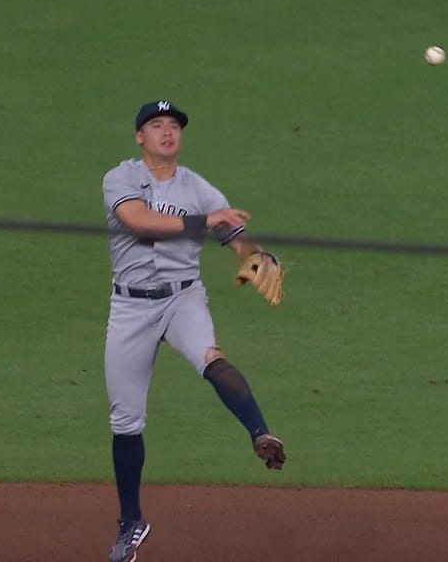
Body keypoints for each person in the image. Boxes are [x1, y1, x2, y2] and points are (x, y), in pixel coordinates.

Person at [102, 100, 287, 562]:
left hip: (182, 299)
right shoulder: (120, 179)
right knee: (126, 420)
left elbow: (237, 236)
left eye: (173, 126)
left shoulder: (199, 188)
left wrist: (258, 257)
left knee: (211, 356)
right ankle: (131, 523)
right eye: (156, 125)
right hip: (129, 306)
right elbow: (138, 221)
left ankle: (261, 434)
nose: (167, 132)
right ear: (140, 137)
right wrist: (208, 221)